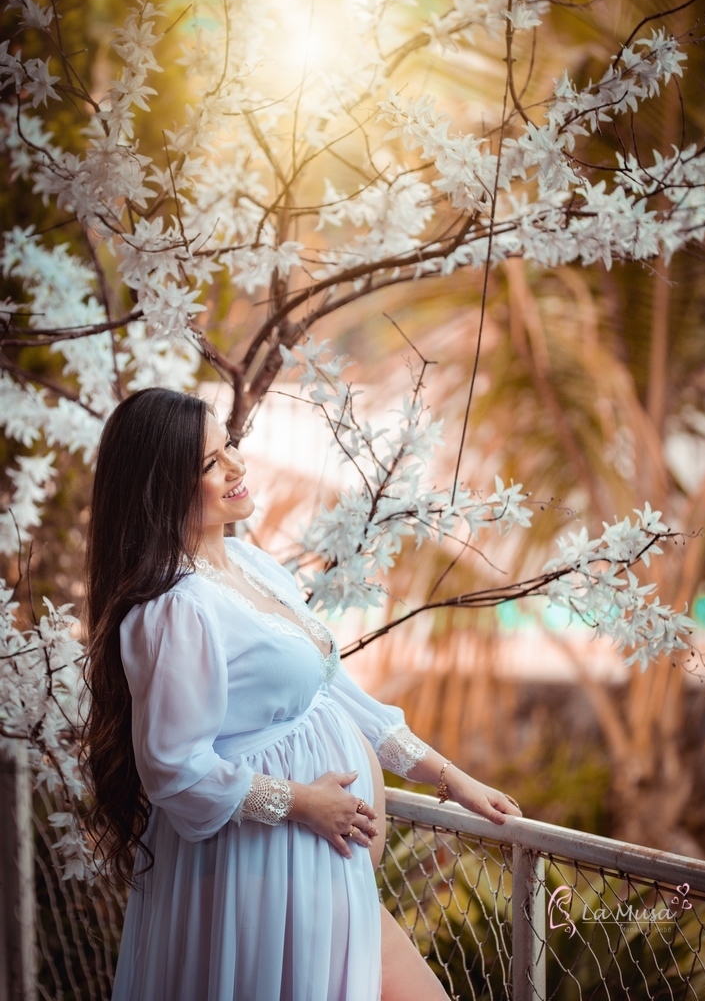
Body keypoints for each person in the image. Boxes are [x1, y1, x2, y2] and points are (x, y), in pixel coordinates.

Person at [81, 387, 522, 1001]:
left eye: (228, 444)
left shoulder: (252, 564)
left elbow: (336, 693)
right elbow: (175, 771)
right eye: (210, 463)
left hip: (321, 866)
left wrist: (449, 776)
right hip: (262, 870)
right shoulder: (177, 610)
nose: (236, 465)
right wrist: (300, 803)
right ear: (161, 488)